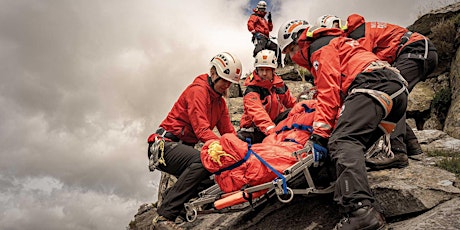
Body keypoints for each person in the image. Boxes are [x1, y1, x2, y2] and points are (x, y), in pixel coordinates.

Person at [280, 24, 408, 229]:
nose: (292, 57)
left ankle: (360, 212)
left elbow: (328, 92)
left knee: (343, 141)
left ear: (298, 41)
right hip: (396, 88)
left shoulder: (319, 47)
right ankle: (357, 196)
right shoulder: (335, 41)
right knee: (349, 141)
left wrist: (319, 135)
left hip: (373, 84)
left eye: (291, 51)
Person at [147, 52, 242, 229]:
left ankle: (178, 206)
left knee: (213, 179)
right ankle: (163, 217)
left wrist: (242, 151)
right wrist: (228, 149)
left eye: (230, 82)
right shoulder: (198, 91)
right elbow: (202, 130)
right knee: (202, 162)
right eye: (224, 80)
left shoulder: (220, 104)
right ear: (213, 73)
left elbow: (228, 131)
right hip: (164, 145)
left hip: (181, 147)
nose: (227, 85)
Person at [339, 13, 438, 170]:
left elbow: (363, 69)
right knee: (391, 98)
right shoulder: (362, 30)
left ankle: (398, 152)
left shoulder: (357, 37)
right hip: (418, 50)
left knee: (389, 97)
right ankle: (412, 146)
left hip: (414, 50)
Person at [238, 49, 297, 144]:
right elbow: (258, 113)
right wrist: (272, 132)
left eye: (267, 70)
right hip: (254, 129)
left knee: (293, 112)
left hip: (274, 125)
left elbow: (293, 104)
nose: (264, 73)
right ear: (257, 70)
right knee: (241, 140)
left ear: (273, 70)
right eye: (261, 70)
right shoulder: (252, 90)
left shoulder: (280, 86)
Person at [247, 0, 282, 67]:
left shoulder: (264, 19)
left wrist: (270, 20)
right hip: (259, 37)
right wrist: (254, 32)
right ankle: (258, 65)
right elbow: (250, 23)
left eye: (263, 9)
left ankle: (279, 65)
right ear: (258, 8)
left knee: (277, 48)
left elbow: (270, 29)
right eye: (261, 9)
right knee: (259, 51)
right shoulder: (255, 16)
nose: (262, 11)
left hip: (266, 38)